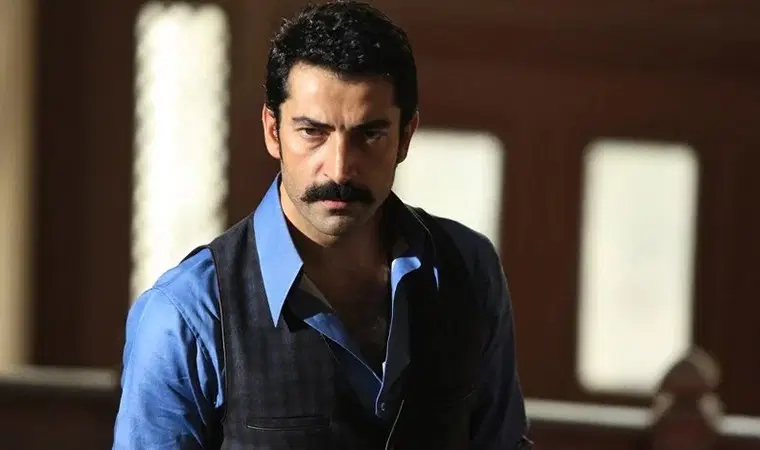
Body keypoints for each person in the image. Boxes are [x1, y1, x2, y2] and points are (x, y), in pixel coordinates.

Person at [113, 1, 531, 449]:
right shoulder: (186, 316)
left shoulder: (467, 270)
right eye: (313, 132)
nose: (339, 168)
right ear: (273, 131)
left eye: (369, 134)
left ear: (405, 137)